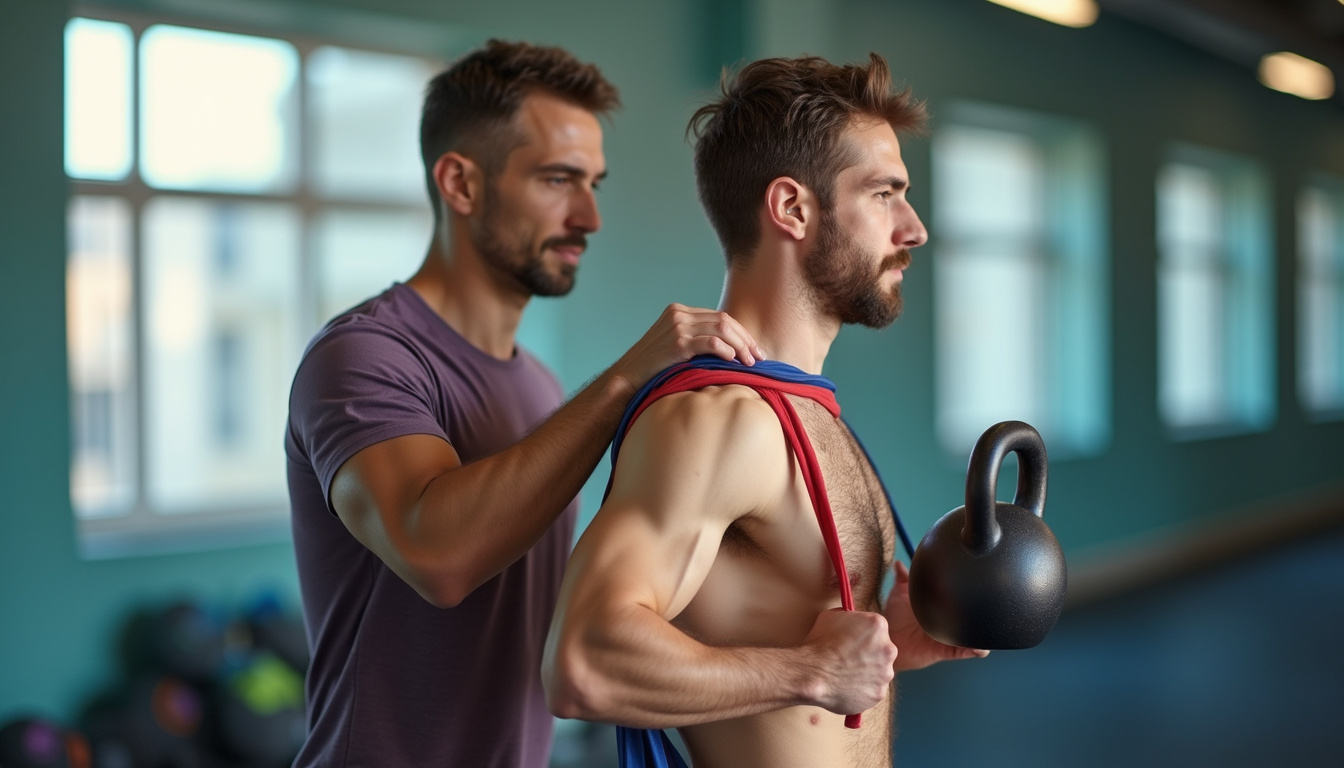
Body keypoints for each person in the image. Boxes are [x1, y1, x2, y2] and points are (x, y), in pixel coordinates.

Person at [283, 39, 768, 768]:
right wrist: (622, 381)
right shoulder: (363, 356)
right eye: (558, 179)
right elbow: (438, 555)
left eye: (593, 183)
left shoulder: (537, 384)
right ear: (460, 183)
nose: (589, 216)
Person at [542, 53, 989, 768]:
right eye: (883, 194)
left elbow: (790, 650)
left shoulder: (808, 409)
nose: (913, 229)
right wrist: (810, 670)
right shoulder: (720, 420)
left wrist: (888, 639)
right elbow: (583, 663)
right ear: (791, 208)